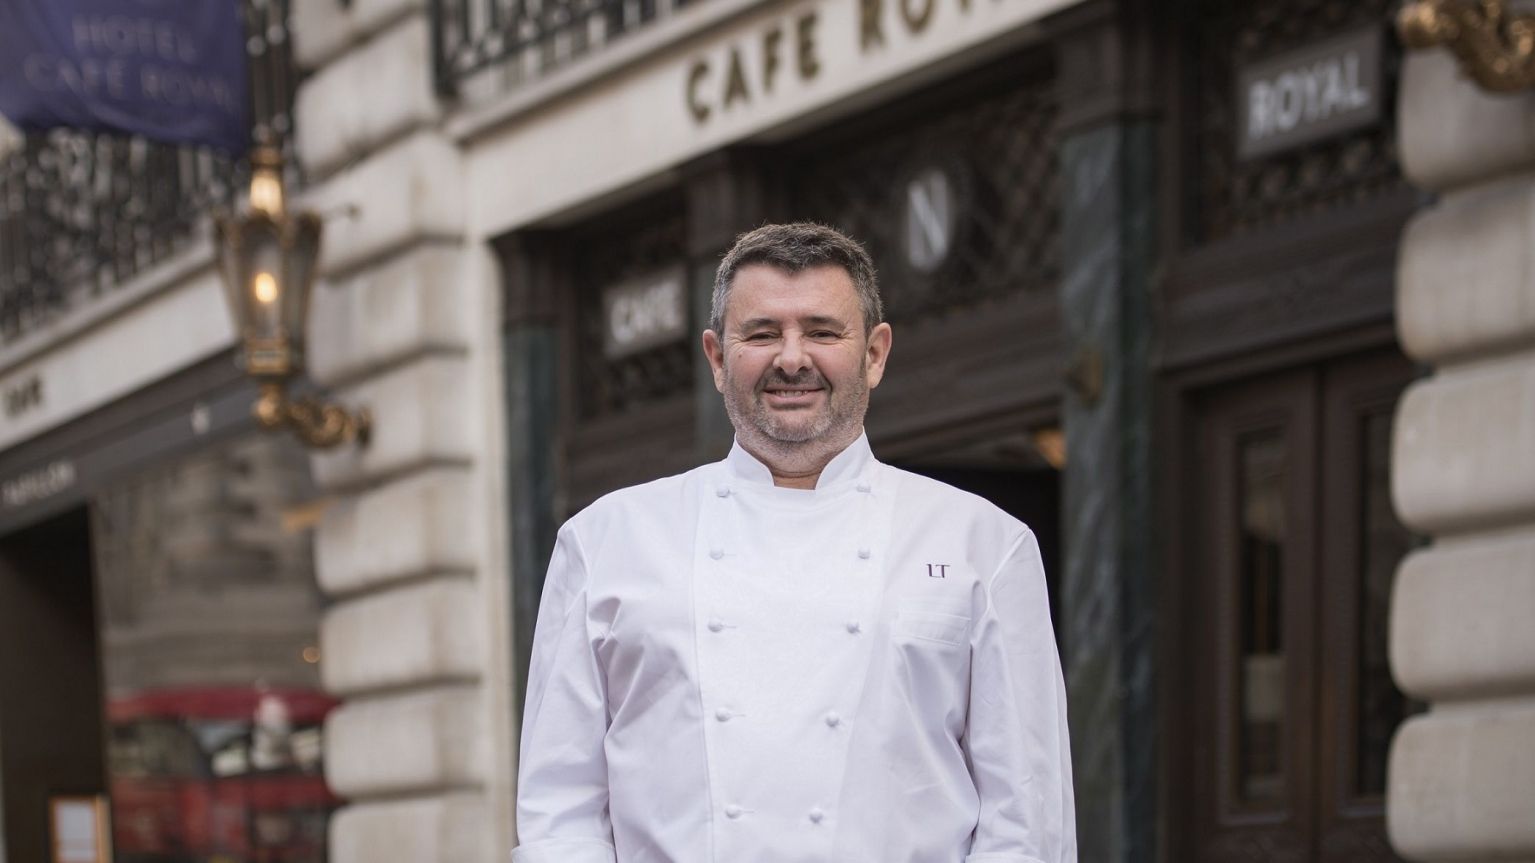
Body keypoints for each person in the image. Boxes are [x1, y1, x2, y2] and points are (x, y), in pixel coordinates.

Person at [512, 223, 1076, 863]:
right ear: (718, 359)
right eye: (760, 334)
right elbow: (560, 817)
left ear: (875, 353)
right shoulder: (604, 541)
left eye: (822, 331)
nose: (791, 357)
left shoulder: (986, 544)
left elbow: (1026, 827)